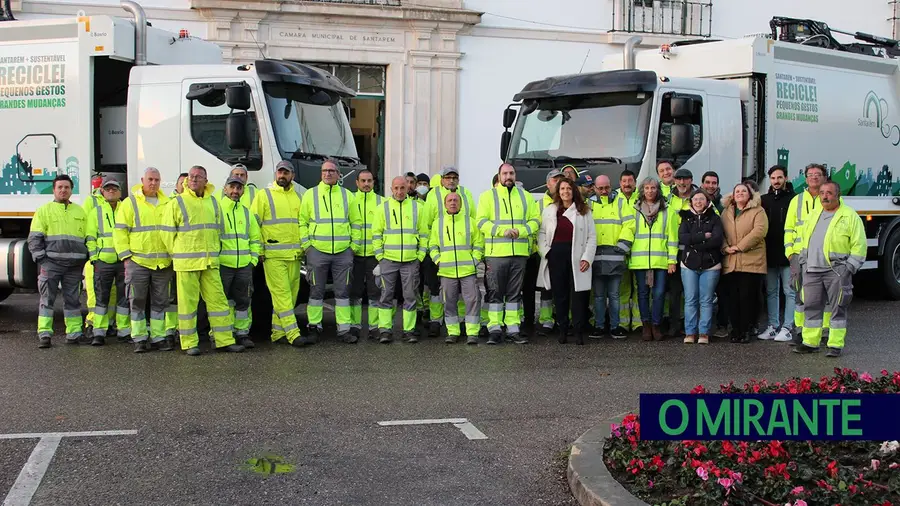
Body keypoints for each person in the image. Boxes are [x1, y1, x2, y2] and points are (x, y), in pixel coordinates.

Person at [162, 165, 245, 355]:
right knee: (187, 306)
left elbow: (219, 230)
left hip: (209, 262)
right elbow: (167, 234)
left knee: (219, 303)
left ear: (206, 181)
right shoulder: (178, 202)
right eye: (191, 176)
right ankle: (189, 343)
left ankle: (224, 340)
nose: (194, 179)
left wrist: (214, 251)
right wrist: (177, 255)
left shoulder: (213, 203)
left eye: (199, 176)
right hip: (187, 263)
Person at [793, 181, 865, 357]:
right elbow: (803, 239)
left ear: (837, 195)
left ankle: (835, 345)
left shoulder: (849, 216)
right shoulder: (814, 214)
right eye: (822, 193)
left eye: (829, 193)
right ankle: (810, 342)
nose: (825, 196)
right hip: (811, 270)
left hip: (837, 270)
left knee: (837, 307)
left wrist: (848, 268)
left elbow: (860, 246)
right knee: (811, 307)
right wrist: (802, 263)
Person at [477, 163, 540, 345]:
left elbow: (536, 220)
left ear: (515, 175)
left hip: (519, 254)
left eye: (511, 173)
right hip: (496, 255)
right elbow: (481, 222)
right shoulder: (487, 196)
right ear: (499, 176)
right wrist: (502, 231)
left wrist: (521, 231)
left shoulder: (526, 196)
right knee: (495, 293)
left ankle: (513, 329)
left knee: (514, 294)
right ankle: (495, 329)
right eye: (505, 174)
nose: (508, 177)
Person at [114, 167, 175, 353]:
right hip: (138, 261)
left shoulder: (168, 202)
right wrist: (125, 256)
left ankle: (158, 337)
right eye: (150, 179)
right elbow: (120, 231)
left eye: (156, 179)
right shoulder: (130, 203)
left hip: (163, 263)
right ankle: (139, 337)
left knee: (160, 302)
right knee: (137, 300)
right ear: (142, 180)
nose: (153, 183)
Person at [29, 175, 89, 348]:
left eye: (67, 187)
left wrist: (84, 258)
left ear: (71, 190)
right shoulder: (44, 211)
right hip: (52, 264)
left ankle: (74, 334)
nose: (63, 190)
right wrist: (42, 259)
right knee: (47, 299)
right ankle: (45, 334)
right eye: (60, 187)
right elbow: (34, 239)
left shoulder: (80, 212)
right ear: (54, 190)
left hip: (74, 266)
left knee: (73, 301)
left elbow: (86, 237)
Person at [299, 160, 354, 343]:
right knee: (316, 292)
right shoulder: (310, 195)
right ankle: (314, 327)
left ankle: (344, 329)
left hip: (343, 252)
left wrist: (352, 247)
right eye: (324, 171)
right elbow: (302, 222)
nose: (328, 174)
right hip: (317, 252)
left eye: (331, 171)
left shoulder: (347, 195)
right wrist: (308, 246)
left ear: (338, 174)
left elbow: (356, 223)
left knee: (343, 293)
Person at [537, 178, 597, 345]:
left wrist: (587, 258)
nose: (565, 192)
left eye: (568, 188)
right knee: (560, 295)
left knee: (579, 295)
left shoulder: (584, 211)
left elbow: (592, 237)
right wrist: (546, 252)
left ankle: (578, 330)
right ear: (558, 191)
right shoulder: (550, 210)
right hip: (556, 255)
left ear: (574, 191)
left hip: (577, 257)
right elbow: (541, 234)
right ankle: (563, 329)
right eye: (562, 189)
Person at [253, 160, 305, 346]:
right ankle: (293, 334)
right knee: (282, 295)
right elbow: (254, 225)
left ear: (292, 176)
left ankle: (277, 332)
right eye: (280, 172)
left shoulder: (297, 198)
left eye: (286, 173)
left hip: (294, 256)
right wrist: (258, 250)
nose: (282, 176)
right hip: (273, 255)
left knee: (290, 296)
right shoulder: (264, 195)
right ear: (275, 174)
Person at [423, 165, 477, 337]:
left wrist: (473, 258)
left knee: (462, 293)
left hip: (463, 257)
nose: (451, 180)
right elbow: (426, 224)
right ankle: (436, 320)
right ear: (442, 180)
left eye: (454, 177)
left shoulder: (466, 193)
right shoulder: (433, 195)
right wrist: (435, 256)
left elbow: (472, 220)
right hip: (440, 253)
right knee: (436, 290)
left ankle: (461, 322)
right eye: (448, 177)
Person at [372, 176, 428, 343]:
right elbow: (376, 234)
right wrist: (380, 257)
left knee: (410, 295)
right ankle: (385, 330)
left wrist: (420, 256)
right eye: (396, 188)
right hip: (388, 259)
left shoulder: (418, 208)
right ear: (391, 189)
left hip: (411, 261)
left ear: (408, 188)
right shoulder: (382, 208)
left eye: (402, 188)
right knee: (386, 295)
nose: (399, 191)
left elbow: (424, 234)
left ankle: (409, 330)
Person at [429, 192, 484, 344]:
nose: (453, 202)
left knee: (472, 300)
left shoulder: (470, 222)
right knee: (449, 302)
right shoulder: (438, 223)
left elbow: (479, 244)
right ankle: (453, 332)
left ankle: (472, 333)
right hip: (446, 271)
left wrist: (474, 260)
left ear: (460, 203)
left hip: (468, 270)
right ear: (445, 204)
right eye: (450, 200)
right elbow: (432, 245)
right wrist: (438, 260)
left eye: (456, 200)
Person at [629, 177, 677, 341]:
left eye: (653, 188)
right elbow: (629, 232)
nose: (650, 191)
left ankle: (656, 324)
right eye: (647, 188)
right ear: (642, 190)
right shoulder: (634, 209)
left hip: (661, 261)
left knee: (659, 294)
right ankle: (646, 325)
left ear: (658, 190)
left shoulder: (667, 210)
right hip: (640, 261)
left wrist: (672, 260)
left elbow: (672, 237)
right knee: (642, 294)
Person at [784, 163, 827, 344]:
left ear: (824, 177)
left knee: (823, 295)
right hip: (799, 256)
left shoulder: (830, 200)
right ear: (805, 178)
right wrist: (790, 253)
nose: (814, 177)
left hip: (822, 255)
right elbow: (789, 228)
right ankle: (800, 331)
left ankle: (824, 332)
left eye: (818, 174)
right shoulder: (797, 200)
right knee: (800, 294)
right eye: (810, 174)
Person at [721, 182, 768, 344]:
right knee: (733, 298)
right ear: (732, 195)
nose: (740, 193)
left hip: (751, 261)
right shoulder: (726, 212)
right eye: (737, 191)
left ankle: (746, 330)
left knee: (747, 298)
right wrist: (726, 247)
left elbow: (759, 231)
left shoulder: (758, 210)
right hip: (731, 261)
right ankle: (735, 330)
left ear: (749, 194)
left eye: (743, 191)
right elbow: (720, 232)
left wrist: (739, 247)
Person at [588, 175, 634, 339]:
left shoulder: (620, 202)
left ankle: (615, 326)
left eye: (606, 187)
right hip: (595, 256)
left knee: (614, 295)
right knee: (599, 296)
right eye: (600, 188)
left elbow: (629, 225)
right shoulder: (589, 204)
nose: (604, 191)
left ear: (611, 186)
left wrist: (622, 246)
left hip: (615, 255)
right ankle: (599, 326)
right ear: (594, 188)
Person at [86, 178, 130, 346]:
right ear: (102, 192)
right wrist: (94, 259)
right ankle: (99, 332)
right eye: (108, 188)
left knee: (124, 298)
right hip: (103, 262)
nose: (111, 191)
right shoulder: (95, 212)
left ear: (120, 192)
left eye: (115, 188)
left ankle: (123, 331)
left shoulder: (126, 210)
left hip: (122, 261)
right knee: (101, 298)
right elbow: (91, 237)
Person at [678, 189, 723, 345]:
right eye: (695, 199)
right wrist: (703, 236)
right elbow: (682, 238)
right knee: (690, 299)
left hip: (710, 265)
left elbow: (717, 240)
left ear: (707, 201)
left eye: (701, 199)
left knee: (706, 300)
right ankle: (690, 333)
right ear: (691, 202)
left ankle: (704, 332)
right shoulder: (685, 218)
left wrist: (694, 243)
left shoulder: (715, 218)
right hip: (689, 265)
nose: (698, 202)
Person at [219, 176, 260, 349]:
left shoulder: (246, 212)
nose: (235, 191)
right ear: (225, 188)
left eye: (239, 188)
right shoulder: (217, 210)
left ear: (243, 191)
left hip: (244, 266)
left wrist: (253, 260)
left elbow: (255, 239)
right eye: (232, 187)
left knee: (243, 301)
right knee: (222, 302)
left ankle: (242, 334)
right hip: (223, 265)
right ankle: (223, 335)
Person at [758, 165, 796, 342]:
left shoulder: (794, 199)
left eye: (779, 177)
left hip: (788, 252)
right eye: (773, 178)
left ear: (786, 178)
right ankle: (773, 326)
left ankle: (788, 327)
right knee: (771, 291)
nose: (776, 181)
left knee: (789, 291)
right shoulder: (763, 200)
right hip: (769, 252)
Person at [348, 168, 384, 339]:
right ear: (357, 183)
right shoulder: (349, 200)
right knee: (354, 292)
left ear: (373, 182)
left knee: (374, 292)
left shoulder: (381, 202)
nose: (366, 184)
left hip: (374, 255)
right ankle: (354, 326)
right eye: (363, 181)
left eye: (369, 181)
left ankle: (374, 327)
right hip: (353, 255)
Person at [665, 167, 697, 337]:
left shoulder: (699, 198)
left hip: (694, 252)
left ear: (691, 180)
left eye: (685, 179)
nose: (682, 183)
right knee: (675, 292)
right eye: (679, 179)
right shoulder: (668, 199)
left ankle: (689, 325)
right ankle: (674, 324)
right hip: (674, 253)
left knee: (691, 292)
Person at [615, 170, 642, 334]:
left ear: (635, 182)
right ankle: (623, 323)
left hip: (639, 251)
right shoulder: (614, 199)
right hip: (621, 251)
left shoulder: (642, 198)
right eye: (624, 181)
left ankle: (638, 323)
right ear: (620, 183)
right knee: (622, 290)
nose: (627, 184)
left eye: (630, 181)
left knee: (640, 289)